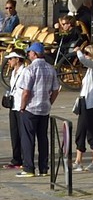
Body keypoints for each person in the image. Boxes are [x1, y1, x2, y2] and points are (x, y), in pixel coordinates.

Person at [17, 42, 60, 178]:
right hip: (44, 108)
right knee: (43, 138)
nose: (28, 54)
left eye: (29, 52)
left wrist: (22, 106)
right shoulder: (50, 68)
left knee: (28, 138)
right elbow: (55, 90)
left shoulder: (29, 69)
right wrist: (49, 102)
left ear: (34, 54)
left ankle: (29, 168)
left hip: (31, 108)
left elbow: (25, 92)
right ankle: (43, 168)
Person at [72, 45, 93, 171]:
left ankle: (85, 160)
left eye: (87, 53)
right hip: (85, 102)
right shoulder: (92, 69)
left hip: (92, 103)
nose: (85, 55)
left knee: (85, 130)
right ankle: (84, 160)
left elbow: (84, 60)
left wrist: (79, 52)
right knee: (87, 131)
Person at [4, 52, 25, 169]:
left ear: (17, 59)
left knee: (23, 133)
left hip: (22, 105)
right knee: (14, 133)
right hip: (13, 105)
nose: (9, 61)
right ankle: (16, 159)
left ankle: (24, 158)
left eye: (11, 59)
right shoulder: (13, 72)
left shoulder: (24, 72)